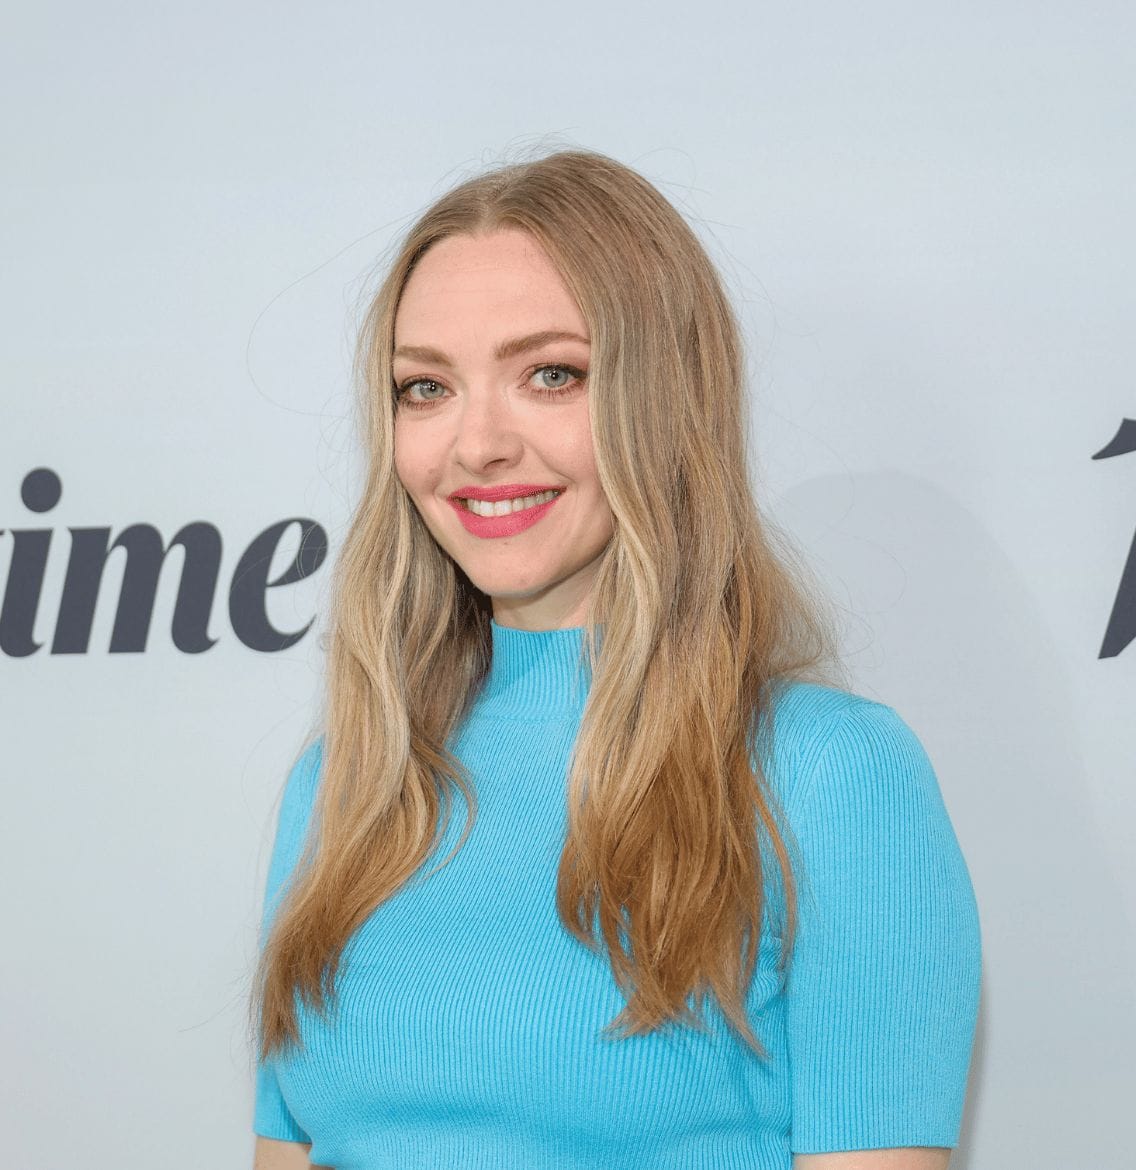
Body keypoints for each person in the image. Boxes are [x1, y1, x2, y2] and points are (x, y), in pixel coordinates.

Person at [249, 147, 982, 1170]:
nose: (476, 444)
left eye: (552, 374)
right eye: (426, 388)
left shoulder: (830, 776)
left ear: (665, 401)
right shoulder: (343, 786)